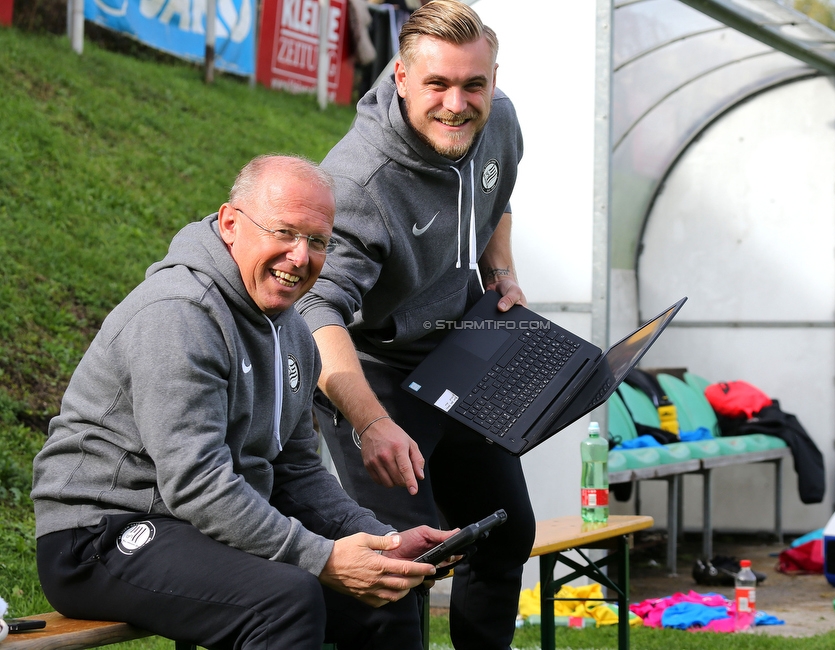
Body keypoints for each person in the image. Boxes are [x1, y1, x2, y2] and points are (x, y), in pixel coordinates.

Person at [31, 155, 456, 650]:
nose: (301, 257)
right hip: (100, 536)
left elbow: (296, 470)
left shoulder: (294, 331)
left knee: (382, 593)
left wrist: (381, 543)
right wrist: (322, 558)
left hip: (194, 524)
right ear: (231, 223)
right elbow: (196, 481)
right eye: (284, 232)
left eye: (318, 241)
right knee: (286, 600)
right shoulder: (180, 314)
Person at [297, 1, 535, 646]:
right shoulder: (357, 183)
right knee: (399, 564)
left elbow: (494, 197)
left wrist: (502, 272)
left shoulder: (500, 119)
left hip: (459, 352)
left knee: (506, 529)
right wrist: (371, 422)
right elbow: (315, 310)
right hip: (374, 370)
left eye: (473, 84)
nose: (457, 103)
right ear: (401, 76)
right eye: (438, 84)